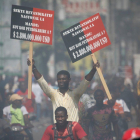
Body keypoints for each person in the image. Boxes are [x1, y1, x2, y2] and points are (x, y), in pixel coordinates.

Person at [27, 58, 99, 122]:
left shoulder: (75, 94)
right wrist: (33, 67)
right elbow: (41, 81)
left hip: (73, 131)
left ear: (69, 80)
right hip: (59, 132)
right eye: (59, 79)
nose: (61, 81)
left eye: (64, 79)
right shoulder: (53, 94)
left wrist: (93, 69)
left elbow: (85, 82)